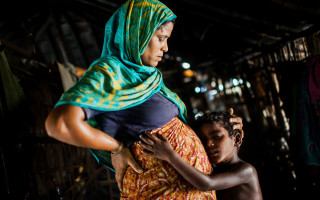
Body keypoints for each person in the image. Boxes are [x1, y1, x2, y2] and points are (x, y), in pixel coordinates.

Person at [45, 0, 243, 199]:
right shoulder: (109, 73)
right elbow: (60, 124)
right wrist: (117, 149)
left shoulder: (150, 78)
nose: (165, 48)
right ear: (138, 33)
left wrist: (226, 128)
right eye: (161, 38)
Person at [140, 111, 263, 200]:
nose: (209, 143)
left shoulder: (246, 171)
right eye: (203, 141)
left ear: (236, 139)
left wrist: (170, 155)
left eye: (216, 136)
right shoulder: (212, 169)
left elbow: (207, 184)